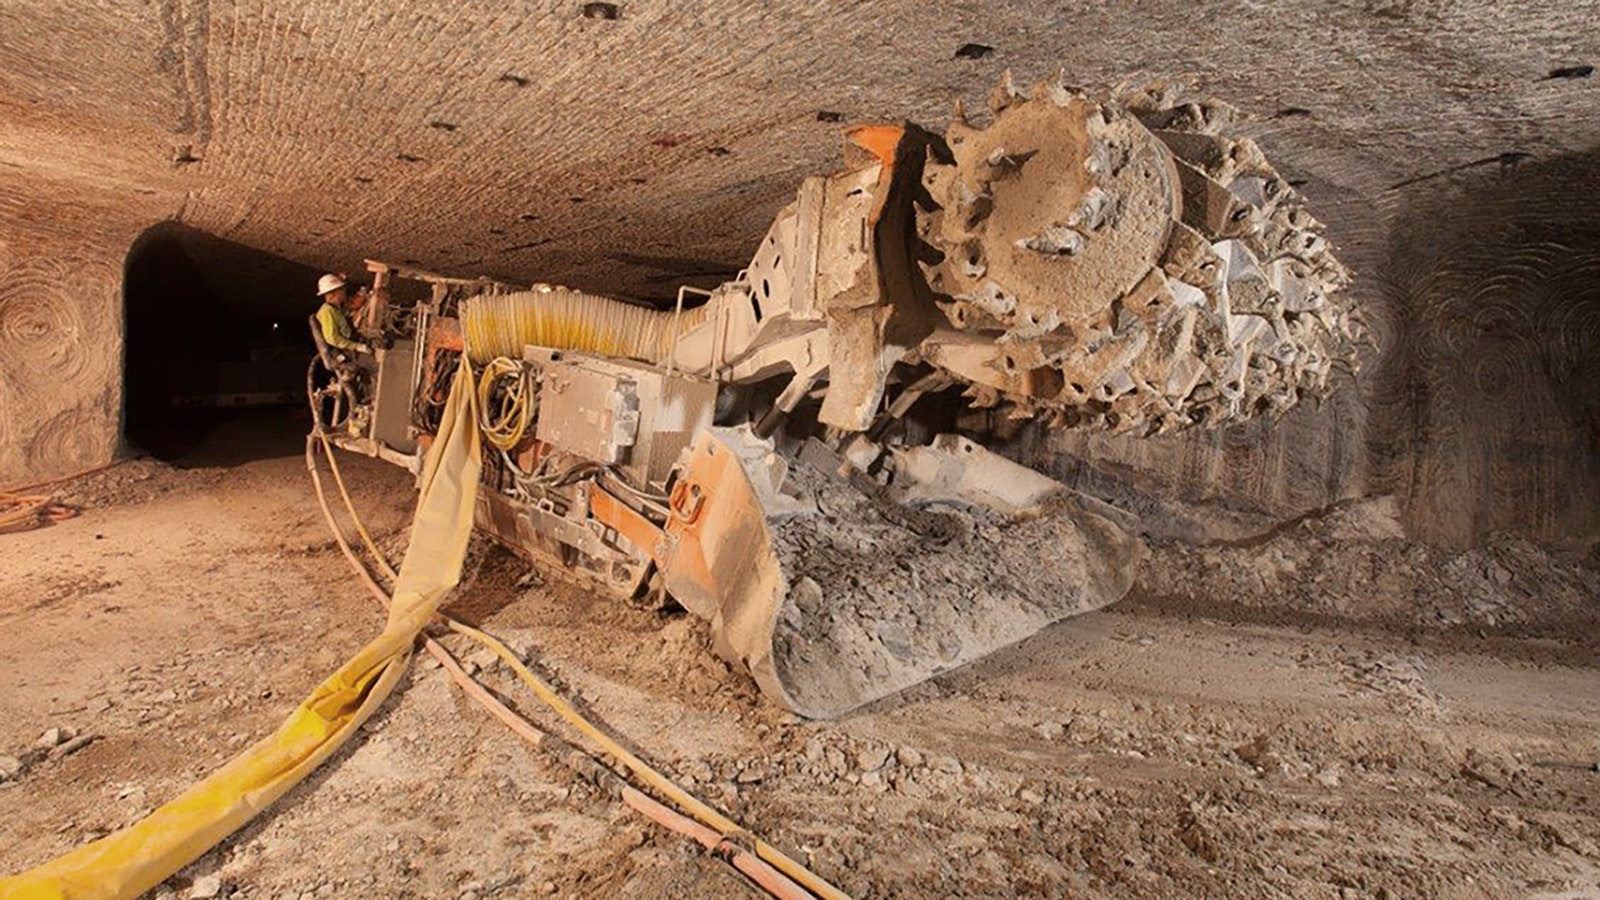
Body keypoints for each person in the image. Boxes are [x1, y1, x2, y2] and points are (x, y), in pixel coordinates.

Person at [314, 273, 372, 355]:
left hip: (351, 341)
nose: (345, 291)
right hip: (347, 350)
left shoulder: (336, 308)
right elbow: (332, 338)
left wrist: (363, 293)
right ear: (335, 292)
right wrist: (358, 347)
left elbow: (352, 306)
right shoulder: (327, 312)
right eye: (342, 289)